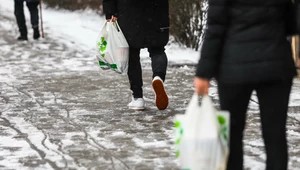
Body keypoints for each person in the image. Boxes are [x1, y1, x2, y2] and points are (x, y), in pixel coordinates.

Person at [194, 0, 298, 169]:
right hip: (275, 64)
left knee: (232, 136)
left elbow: (215, 27)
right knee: (275, 136)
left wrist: (203, 73)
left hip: (233, 66)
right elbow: (291, 23)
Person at [103, 0, 169, 111]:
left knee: (132, 53)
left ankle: (137, 98)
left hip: (129, 11)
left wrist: (110, 11)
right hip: (157, 10)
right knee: (158, 49)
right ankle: (158, 77)